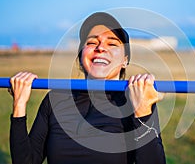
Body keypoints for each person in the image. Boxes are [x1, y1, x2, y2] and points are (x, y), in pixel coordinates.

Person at [9, 12, 166, 164]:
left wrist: (143, 112)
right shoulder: (55, 100)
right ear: (81, 55)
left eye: (112, 43)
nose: (101, 48)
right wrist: (19, 105)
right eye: (92, 42)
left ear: (125, 60)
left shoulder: (136, 100)